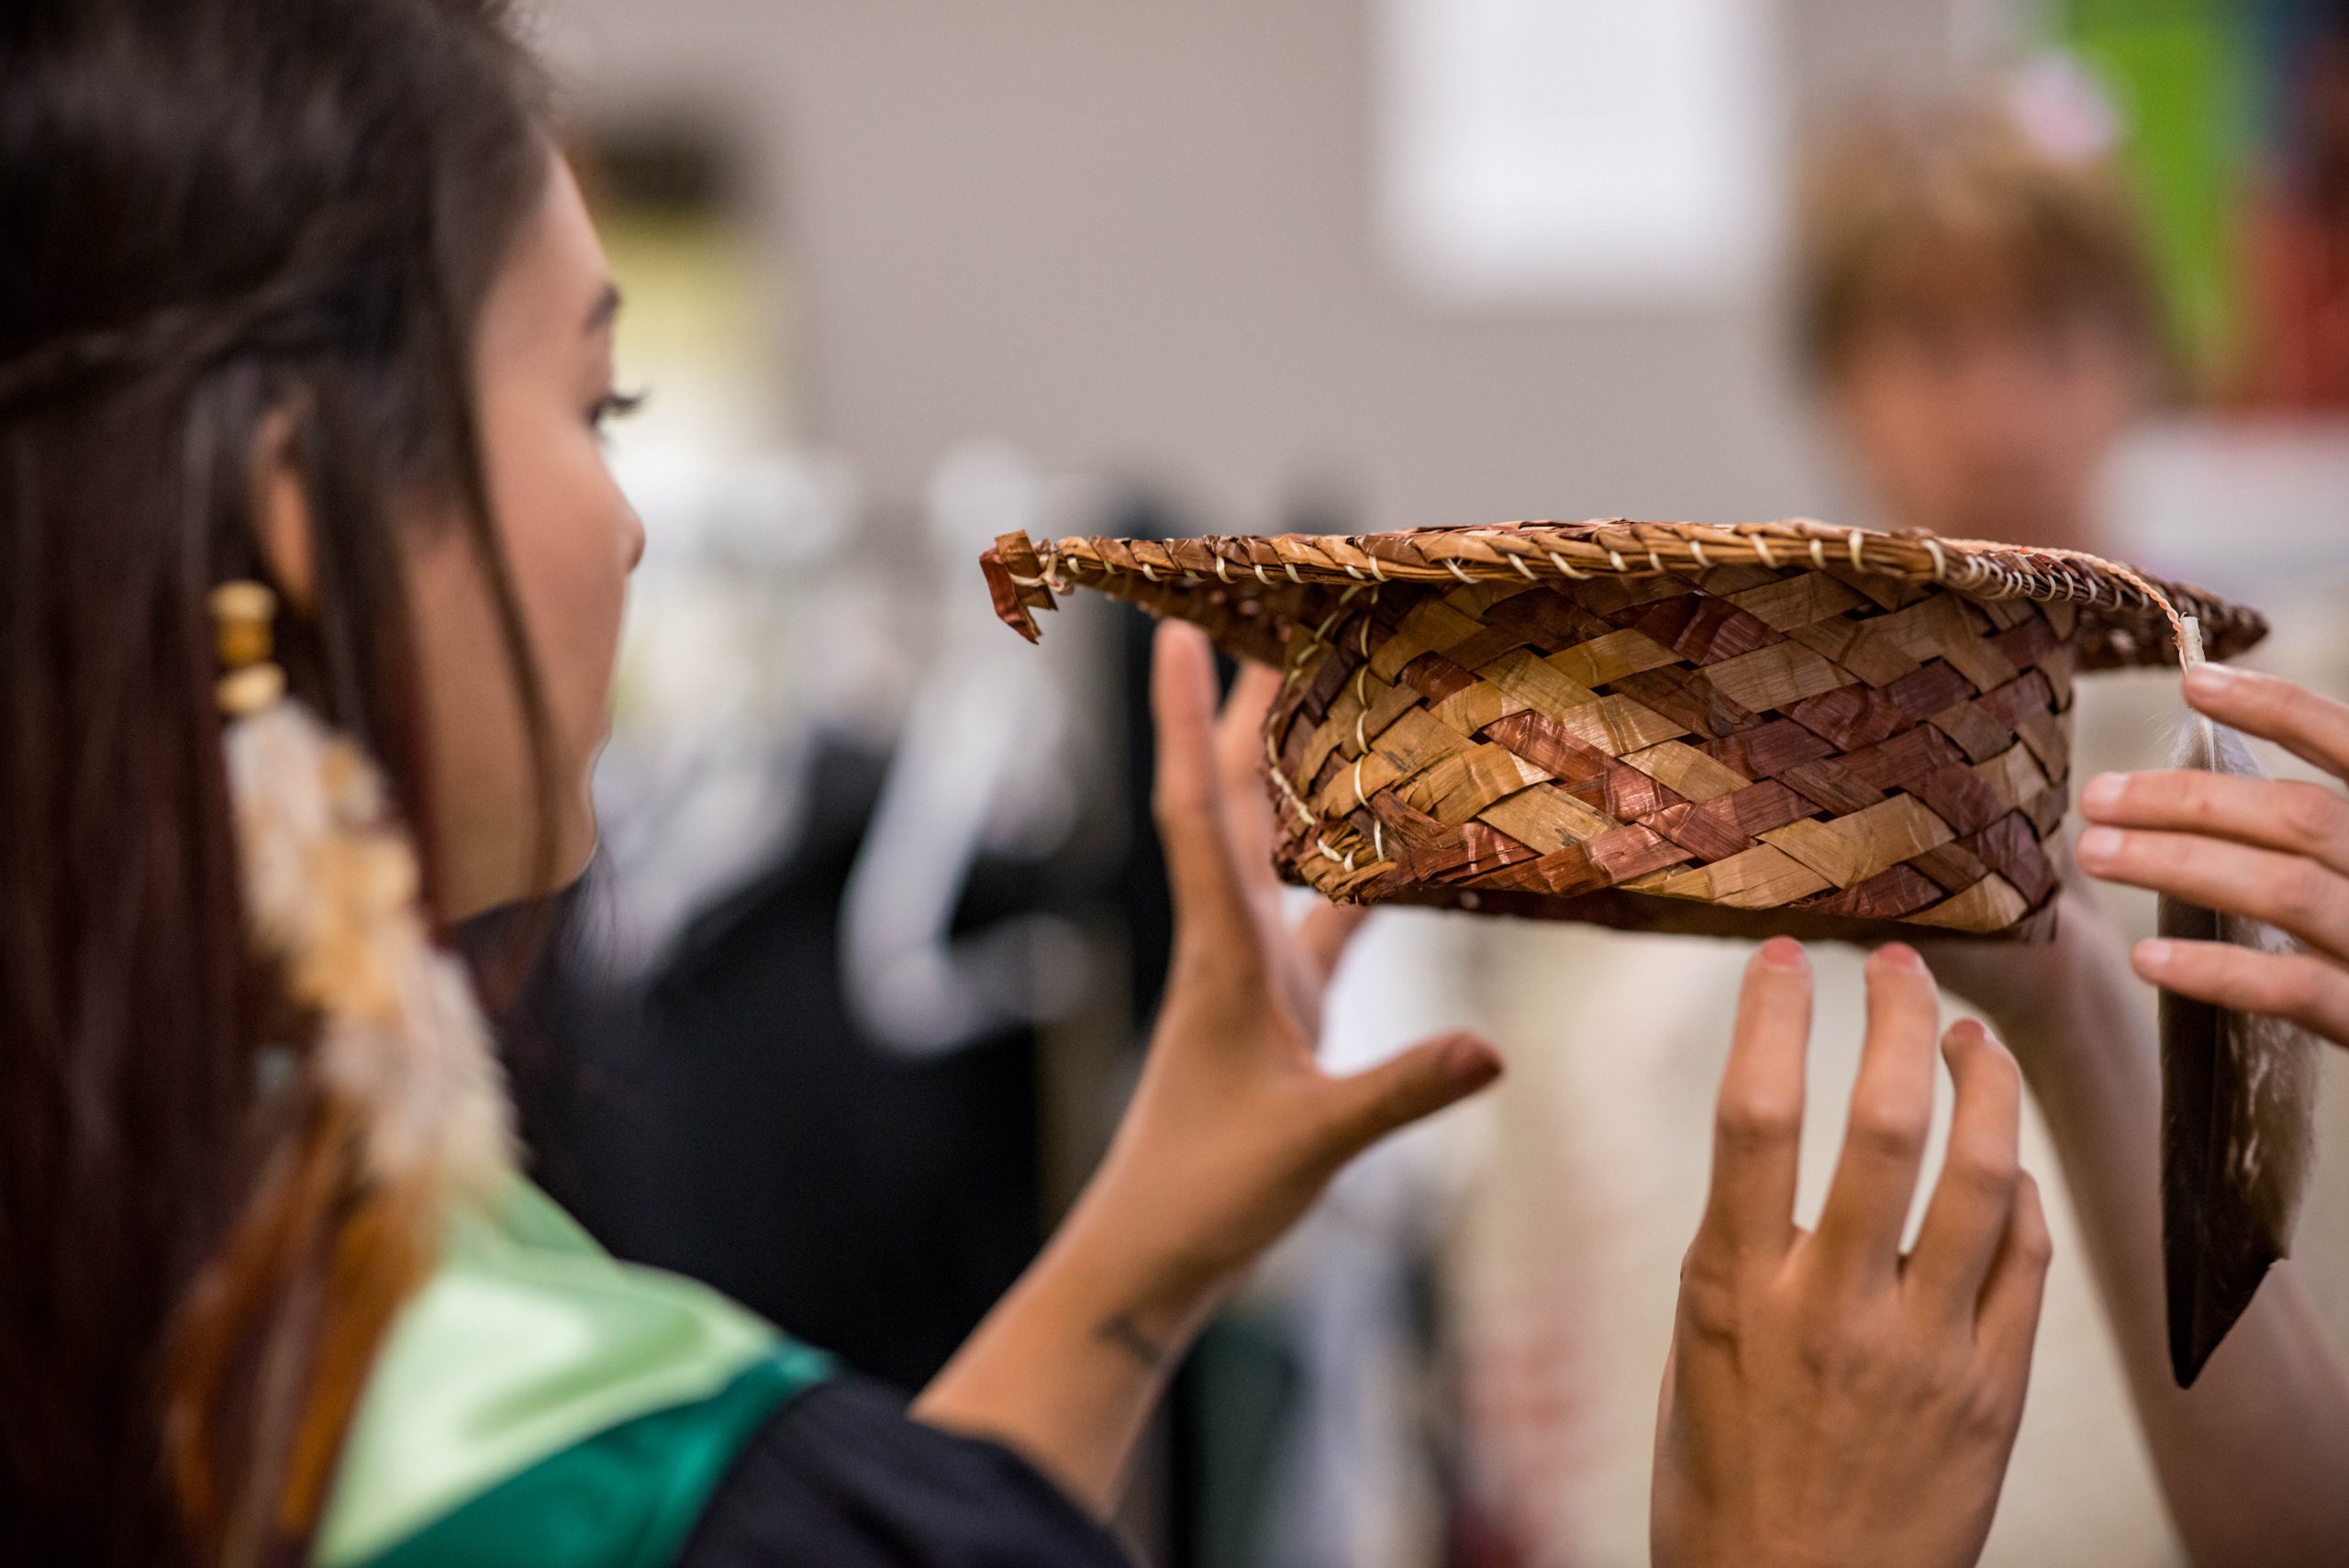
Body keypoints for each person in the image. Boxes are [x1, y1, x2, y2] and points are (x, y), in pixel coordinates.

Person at [0, 5, 2046, 1566]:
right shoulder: (495, 1428)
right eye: (586, 401)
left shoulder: (176, 1247)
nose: (629, 528)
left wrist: (1145, 1229)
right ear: (306, 504)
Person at [1804, 96, 2349, 1562]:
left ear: (2140, 359)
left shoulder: (2305, 750)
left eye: (2052, 333)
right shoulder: (1746, 801)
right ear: (1836, 379)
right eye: (1929, 340)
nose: (1996, 416)